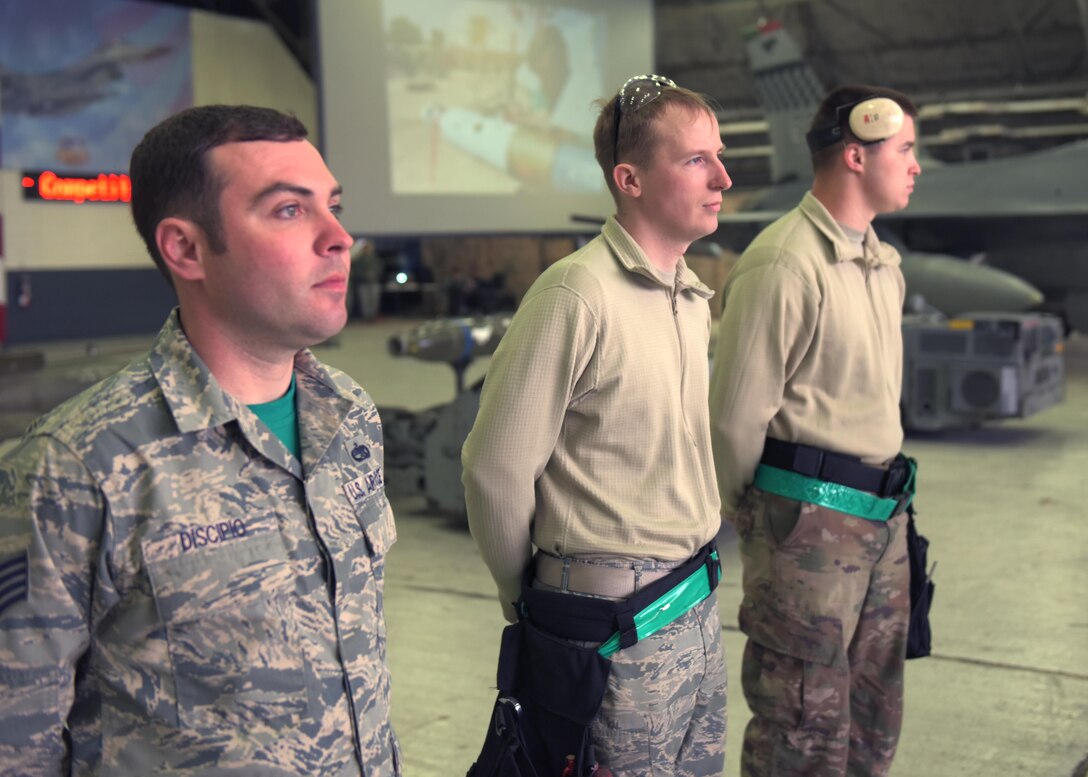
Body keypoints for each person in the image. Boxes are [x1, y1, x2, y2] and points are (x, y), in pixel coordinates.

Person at [0, 105, 400, 775]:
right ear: (185, 248)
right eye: (288, 211)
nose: (339, 237)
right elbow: (17, 739)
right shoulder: (79, 464)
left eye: (332, 206)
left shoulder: (349, 416)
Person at [462, 75, 731, 776]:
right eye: (697, 159)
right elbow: (495, 467)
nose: (723, 177)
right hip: (617, 627)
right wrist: (529, 597)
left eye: (719, 155)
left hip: (694, 605)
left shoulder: (690, 297)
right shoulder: (575, 295)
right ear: (630, 178)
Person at [708, 85, 922, 776]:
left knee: (872, 715)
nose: (917, 166)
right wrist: (757, 516)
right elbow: (735, 415)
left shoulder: (882, 263)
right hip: (809, 528)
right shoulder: (785, 262)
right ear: (855, 154)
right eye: (907, 150)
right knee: (801, 727)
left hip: (883, 520)